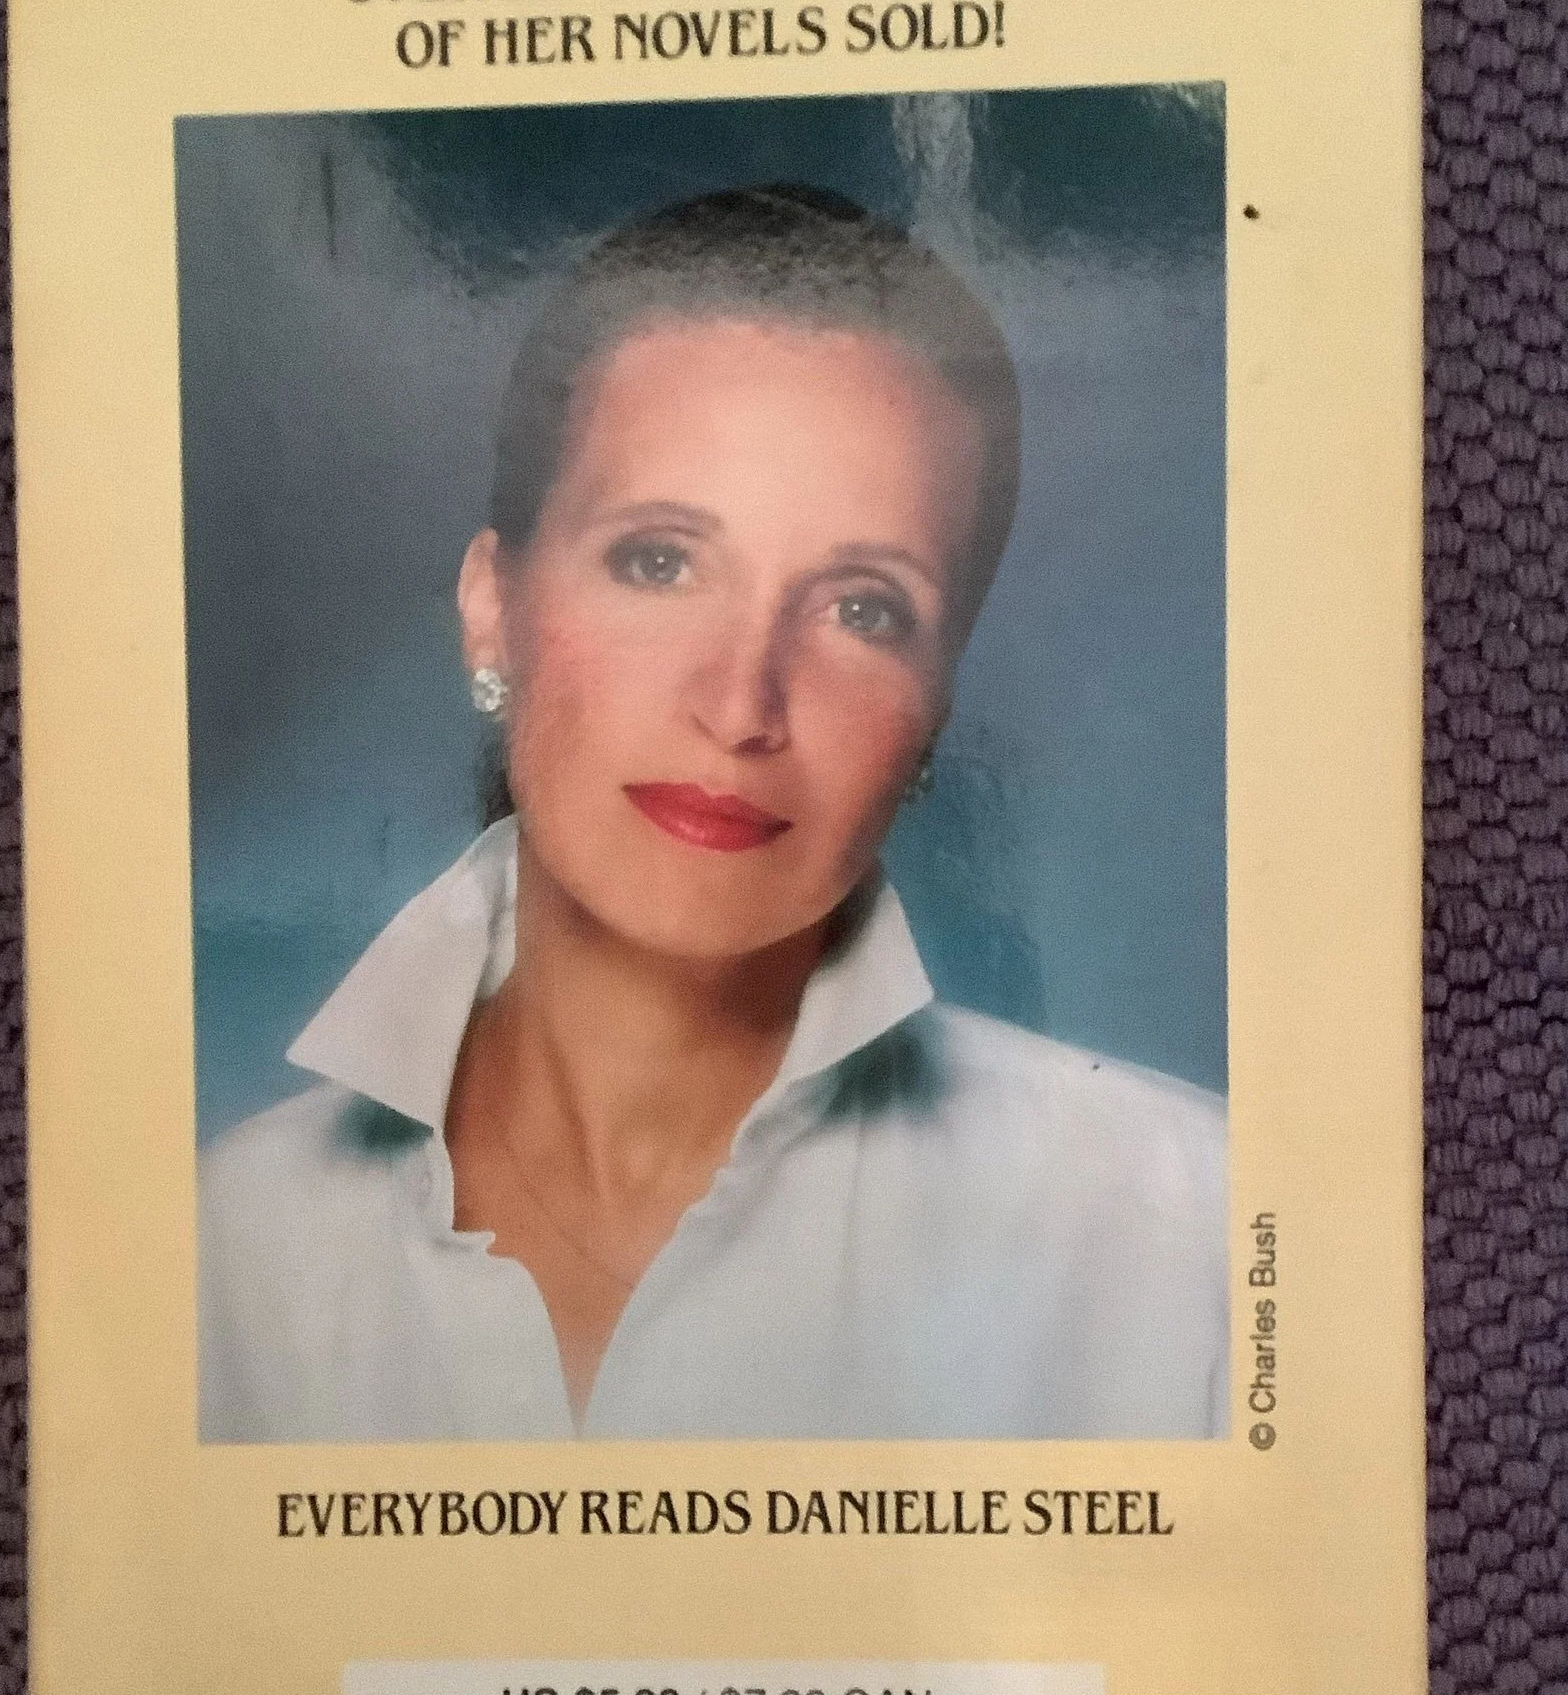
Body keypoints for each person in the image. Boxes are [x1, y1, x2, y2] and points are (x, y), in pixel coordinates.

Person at [198, 183, 1227, 1442]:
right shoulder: (220, 1255)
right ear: (491, 608)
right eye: (660, 560)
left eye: (863, 609)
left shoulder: (1189, 1247)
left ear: (935, 706)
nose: (742, 704)